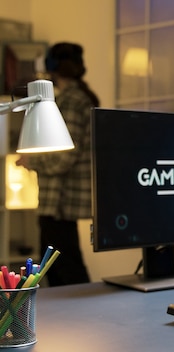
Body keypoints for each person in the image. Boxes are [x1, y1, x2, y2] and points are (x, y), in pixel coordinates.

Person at [16, 42, 99, 286]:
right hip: (58, 203)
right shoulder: (76, 98)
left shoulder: (72, 102)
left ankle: (78, 319)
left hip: (61, 203)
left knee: (65, 269)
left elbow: (64, 156)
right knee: (58, 267)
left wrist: (33, 160)